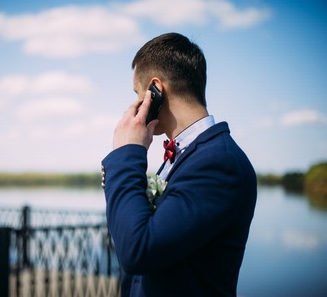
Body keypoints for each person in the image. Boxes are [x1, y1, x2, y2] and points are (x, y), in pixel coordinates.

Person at [101, 32, 257, 296]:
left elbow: (138, 250)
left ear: (156, 90)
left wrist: (127, 154)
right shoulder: (189, 155)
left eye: (138, 94)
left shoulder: (219, 163)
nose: (135, 104)